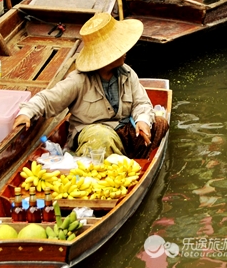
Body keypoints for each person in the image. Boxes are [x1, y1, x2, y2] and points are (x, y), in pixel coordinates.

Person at [13, 12, 168, 159]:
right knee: (102, 139)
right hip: (94, 134)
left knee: (160, 123)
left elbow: (141, 102)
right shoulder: (78, 80)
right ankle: (98, 160)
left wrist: (142, 121)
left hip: (122, 129)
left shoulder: (127, 73)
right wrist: (26, 112)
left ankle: (123, 158)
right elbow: (47, 99)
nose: (125, 52)